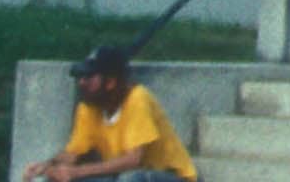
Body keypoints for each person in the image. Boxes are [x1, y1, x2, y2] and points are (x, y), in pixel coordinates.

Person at [28, 47, 197, 181]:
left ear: (110, 82)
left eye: (89, 77)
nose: (81, 83)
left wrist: (76, 172)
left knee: (131, 179)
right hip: (127, 176)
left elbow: (133, 160)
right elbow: (73, 154)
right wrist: (47, 166)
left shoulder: (137, 99)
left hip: (170, 177)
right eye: (80, 77)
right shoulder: (88, 108)